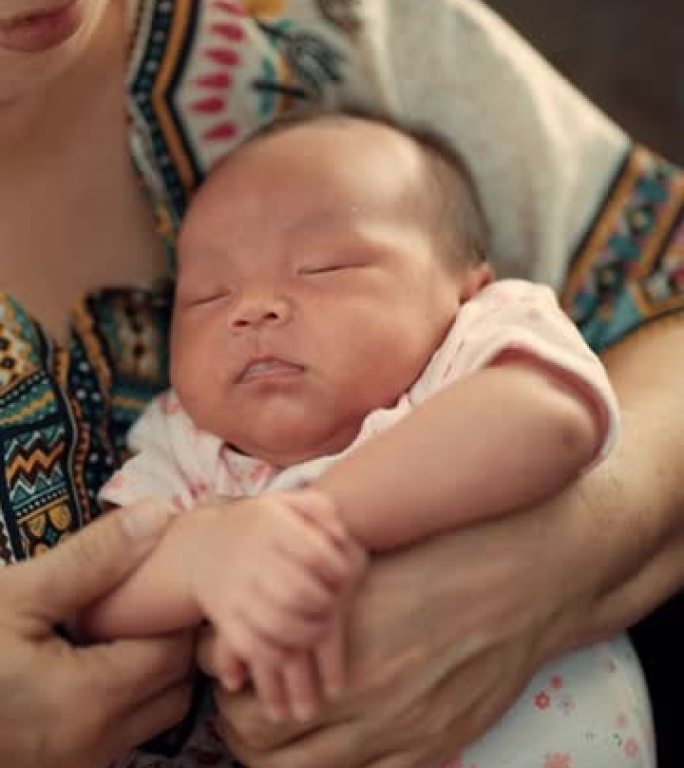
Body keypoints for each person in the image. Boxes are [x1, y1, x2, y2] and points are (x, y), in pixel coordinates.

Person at [0, 0, 681, 766]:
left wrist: (317, 521)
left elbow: (551, 419)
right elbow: (108, 593)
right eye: (205, 297)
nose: (254, 308)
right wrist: (207, 556)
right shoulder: (191, 444)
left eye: (327, 270)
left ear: (465, 288)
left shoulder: (475, 343)